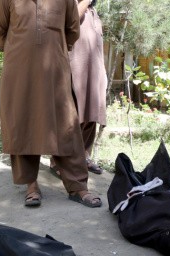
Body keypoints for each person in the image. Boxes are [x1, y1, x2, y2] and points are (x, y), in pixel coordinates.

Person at [0, 0, 102, 208]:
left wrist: (53, 48)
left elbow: (72, 29)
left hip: (55, 70)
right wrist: (22, 48)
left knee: (65, 125)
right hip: (19, 70)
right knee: (23, 122)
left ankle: (78, 186)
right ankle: (31, 185)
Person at [50, 0, 107, 177]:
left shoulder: (93, 11)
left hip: (94, 71)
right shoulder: (71, 4)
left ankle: (84, 156)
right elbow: (71, 18)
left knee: (91, 115)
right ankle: (58, 162)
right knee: (70, 116)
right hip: (74, 69)